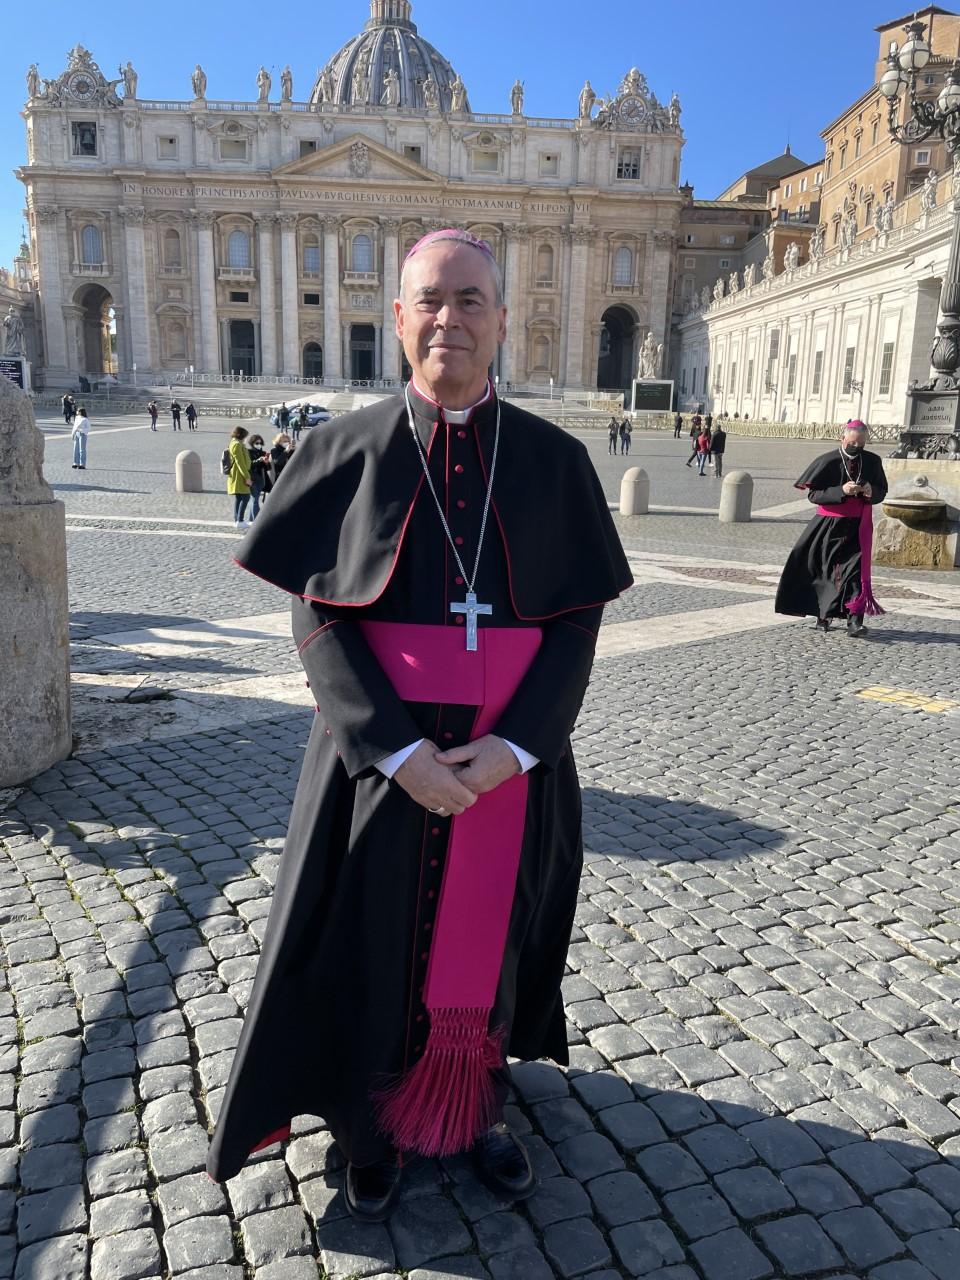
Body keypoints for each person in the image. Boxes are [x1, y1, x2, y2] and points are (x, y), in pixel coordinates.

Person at [206, 227, 632, 1222]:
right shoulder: (342, 449)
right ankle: (367, 1119)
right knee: (369, 932)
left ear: (501, 318)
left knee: (496, 938)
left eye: (471, 299)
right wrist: (395, 749)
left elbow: (577, 617)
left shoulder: (553, 459)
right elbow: (317, 611)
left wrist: (518, 745)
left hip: (510, 765)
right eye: (430, 300)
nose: (451, 319)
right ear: (398, 318)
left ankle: (473, 1098)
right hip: (375, 761)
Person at [775, 420, 888, 637]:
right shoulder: (828, 460)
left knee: (855, 573)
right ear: (843, 439)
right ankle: (823, 615)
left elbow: (882, 491)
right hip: (829, 525)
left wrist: (869, 490)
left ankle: (855, 621)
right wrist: (841, 490)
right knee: (826, 570)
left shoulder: (873, 461)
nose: (857, 448)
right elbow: (814, 495)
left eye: (861, 445)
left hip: (858, 525)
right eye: (853, 444)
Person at [226, 426, 252, 530]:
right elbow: (240, 462)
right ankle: (240, 520)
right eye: (245, 436)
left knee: (239, 497)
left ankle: (237, 520)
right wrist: (247, 477)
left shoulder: (236, 443)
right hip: (239, 475)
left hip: (238, 474)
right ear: (241, 435)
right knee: (245, 497)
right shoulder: (236, 445)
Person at [247, 433, 272, 520]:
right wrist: (258, 460)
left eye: (260, 443)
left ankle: (251, 519)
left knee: (255, 500)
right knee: (255, 500)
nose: (259, 445)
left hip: (261, 479)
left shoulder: (263, 453)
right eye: (257, 443)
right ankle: (256, 520)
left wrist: (266, 462)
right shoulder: (248, 452)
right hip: (252, 478)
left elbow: (268, 468)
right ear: (252, 443)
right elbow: (249, 465)